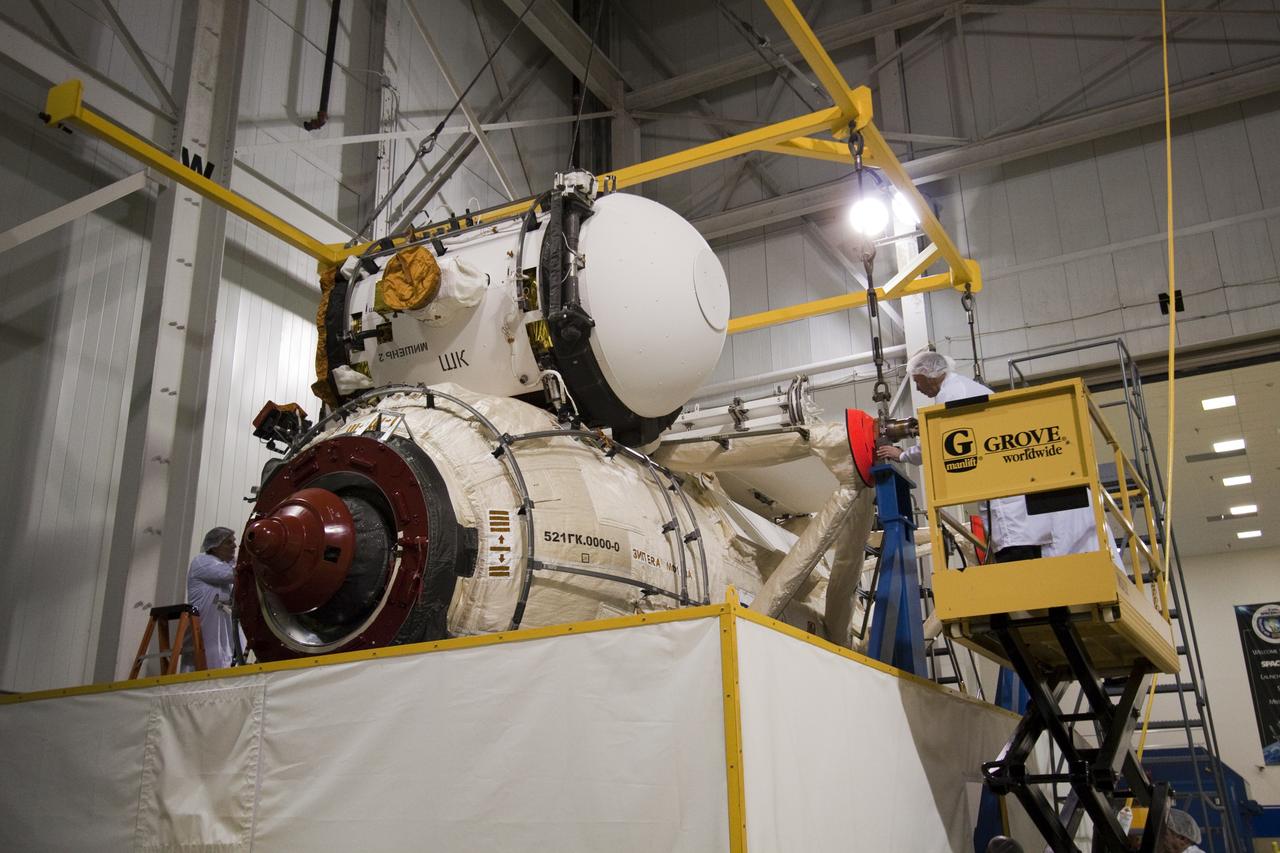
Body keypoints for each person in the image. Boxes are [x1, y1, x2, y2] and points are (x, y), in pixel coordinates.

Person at [876, 350, 1052, 562]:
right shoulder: (963, 387)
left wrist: (903, 455)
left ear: (928, 374)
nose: (918, 387)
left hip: (1005, 499)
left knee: (1014, 553)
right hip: (1011, 487)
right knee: (1021, 548)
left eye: (917, 381)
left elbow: (940, 441)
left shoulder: (951, 394)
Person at [188, 526, 238, 669]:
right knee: (208, 659)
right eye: (229, 542)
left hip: (221, 625)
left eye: (234, 541)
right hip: (206, 624)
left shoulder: (225, 564)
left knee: (222, 657)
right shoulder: (202, 561)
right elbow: (231, 574)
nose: (234, 545)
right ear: (215, 546)